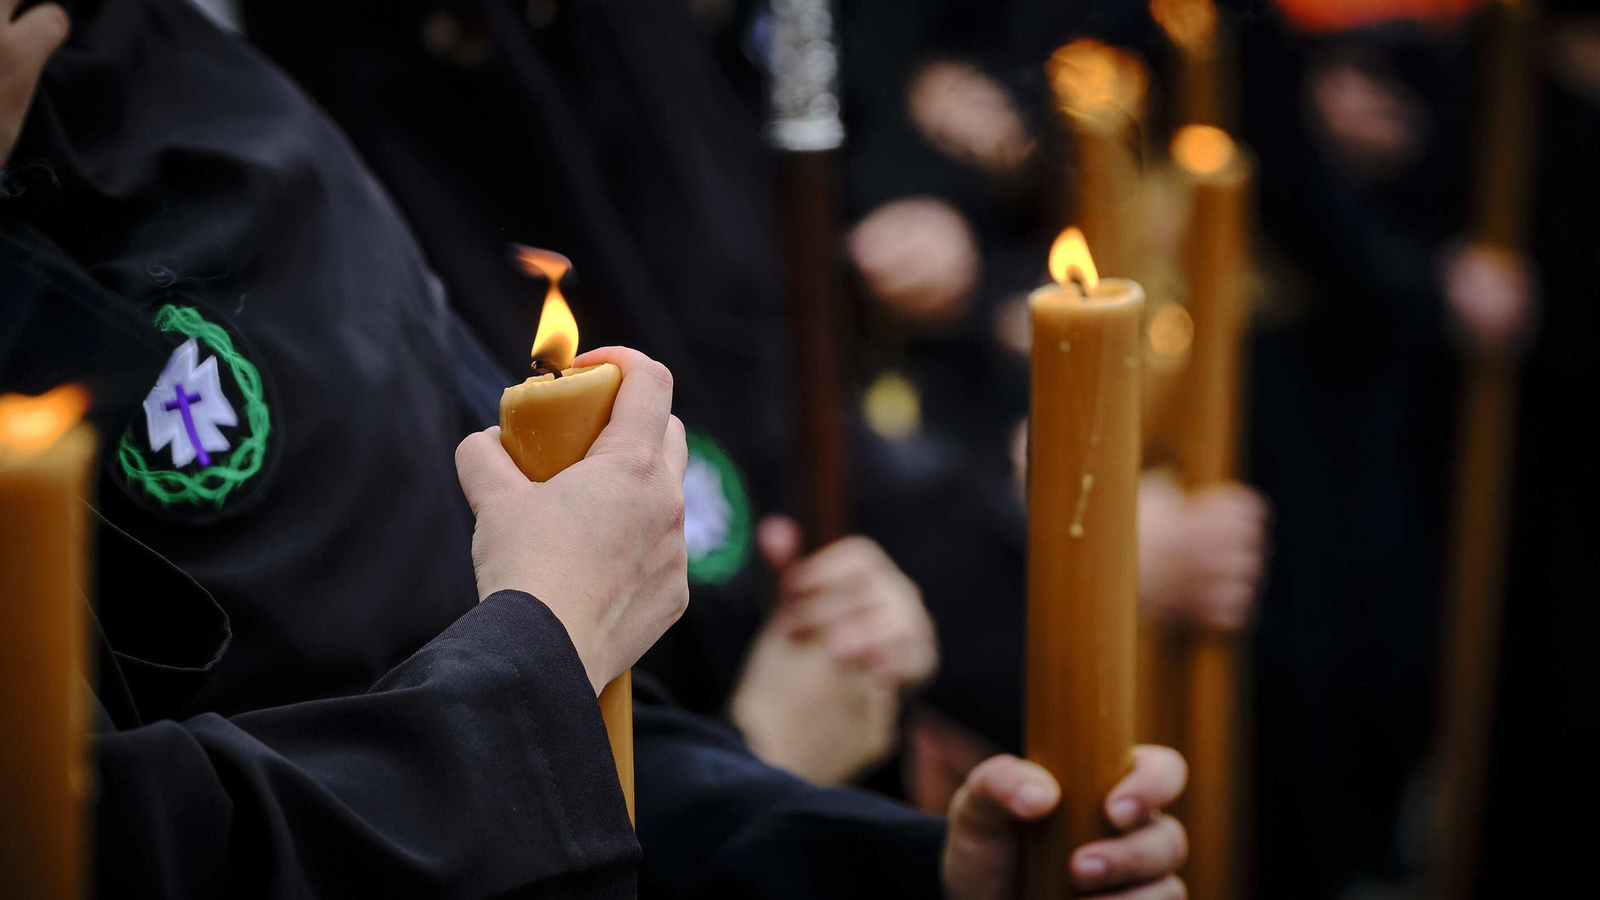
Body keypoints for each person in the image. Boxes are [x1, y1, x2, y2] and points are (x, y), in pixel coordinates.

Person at [1, 1, 1191, 897]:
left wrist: (907, 868)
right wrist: (601, 669)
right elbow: (153, 836)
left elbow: (565, 706)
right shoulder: (345, 59)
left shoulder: (201, 98)